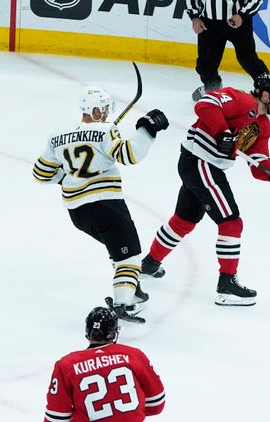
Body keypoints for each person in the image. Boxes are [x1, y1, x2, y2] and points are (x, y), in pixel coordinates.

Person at [139, 73, 270, 306]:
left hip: (204, 166)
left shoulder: (263, 125)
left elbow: (258, 160)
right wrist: (222, 131)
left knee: (184, 220)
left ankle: (149, 264)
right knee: (231, 222)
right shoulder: (241, 100)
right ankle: (227, 284)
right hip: (200, 161)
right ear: (265, 95)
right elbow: (205, 103)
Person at [32, 86, 169, 323]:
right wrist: (147, 129)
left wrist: (65, 178)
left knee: (119, 248)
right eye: (103, 109)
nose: (106, 113)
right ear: (94, 111)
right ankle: (122, 302)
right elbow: (130, 154)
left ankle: (131, 287)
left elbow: (40, 173)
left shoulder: (57, 136)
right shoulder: (105, 129)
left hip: (78, 213)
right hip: (105, 205)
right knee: (130, 255)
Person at [44, 306, 166, 421]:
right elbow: (156, 404)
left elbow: (56, 417)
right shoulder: (134, 355)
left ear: (87, 332)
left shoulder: (66, 365)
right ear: (113, 333)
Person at [187, 0, 270, 101]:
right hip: (208, 22)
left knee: (248, 60)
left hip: (239, 21)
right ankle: (213, 89)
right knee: (205, 64)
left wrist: (242, 15)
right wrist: (194, 17)